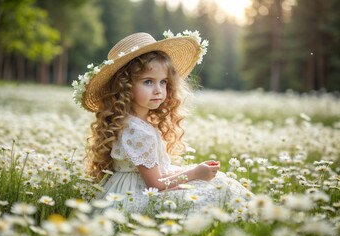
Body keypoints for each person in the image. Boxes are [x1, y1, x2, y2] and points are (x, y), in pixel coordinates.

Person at [72, 30, 253, 213]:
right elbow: (156, 185)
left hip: (139, 188)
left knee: (220, 181)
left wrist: (195, 173)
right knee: (212, 193)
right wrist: (195, 173)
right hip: (135, 198)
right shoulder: (136, 131)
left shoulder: (137, 123)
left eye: (163, 82)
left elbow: (159, 174)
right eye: (148, 82)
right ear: (124, 87)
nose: (158, 90)